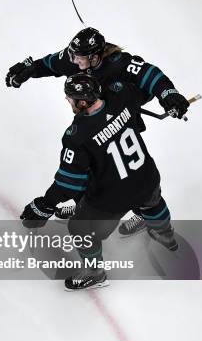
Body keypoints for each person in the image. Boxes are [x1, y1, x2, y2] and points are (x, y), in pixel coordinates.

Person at [6, 27, 190, 237]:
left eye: (80, 57)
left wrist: (167, 92)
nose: (74, 61)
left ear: (95, 56)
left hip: (121, 117)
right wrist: (29, 70)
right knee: (91, 165)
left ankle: (141, 209)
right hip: (94, 122)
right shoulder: (74, 57)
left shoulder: (118, 62)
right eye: (72, 54)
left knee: (121, 168)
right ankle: (87, 205)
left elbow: (148, 73)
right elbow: (50, 64)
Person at [20, 73, 177, 291]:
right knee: (152, 202)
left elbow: (68, 184)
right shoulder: (121, 96)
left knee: (79, 227)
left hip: (114, 197)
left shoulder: (77, 136)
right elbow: (146, 85)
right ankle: (165, 233)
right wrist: (170, 95)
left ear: (82, 101)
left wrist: (44, 205)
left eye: (70, 98)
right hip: (147, 177)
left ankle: (95, 273)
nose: (68, 101)